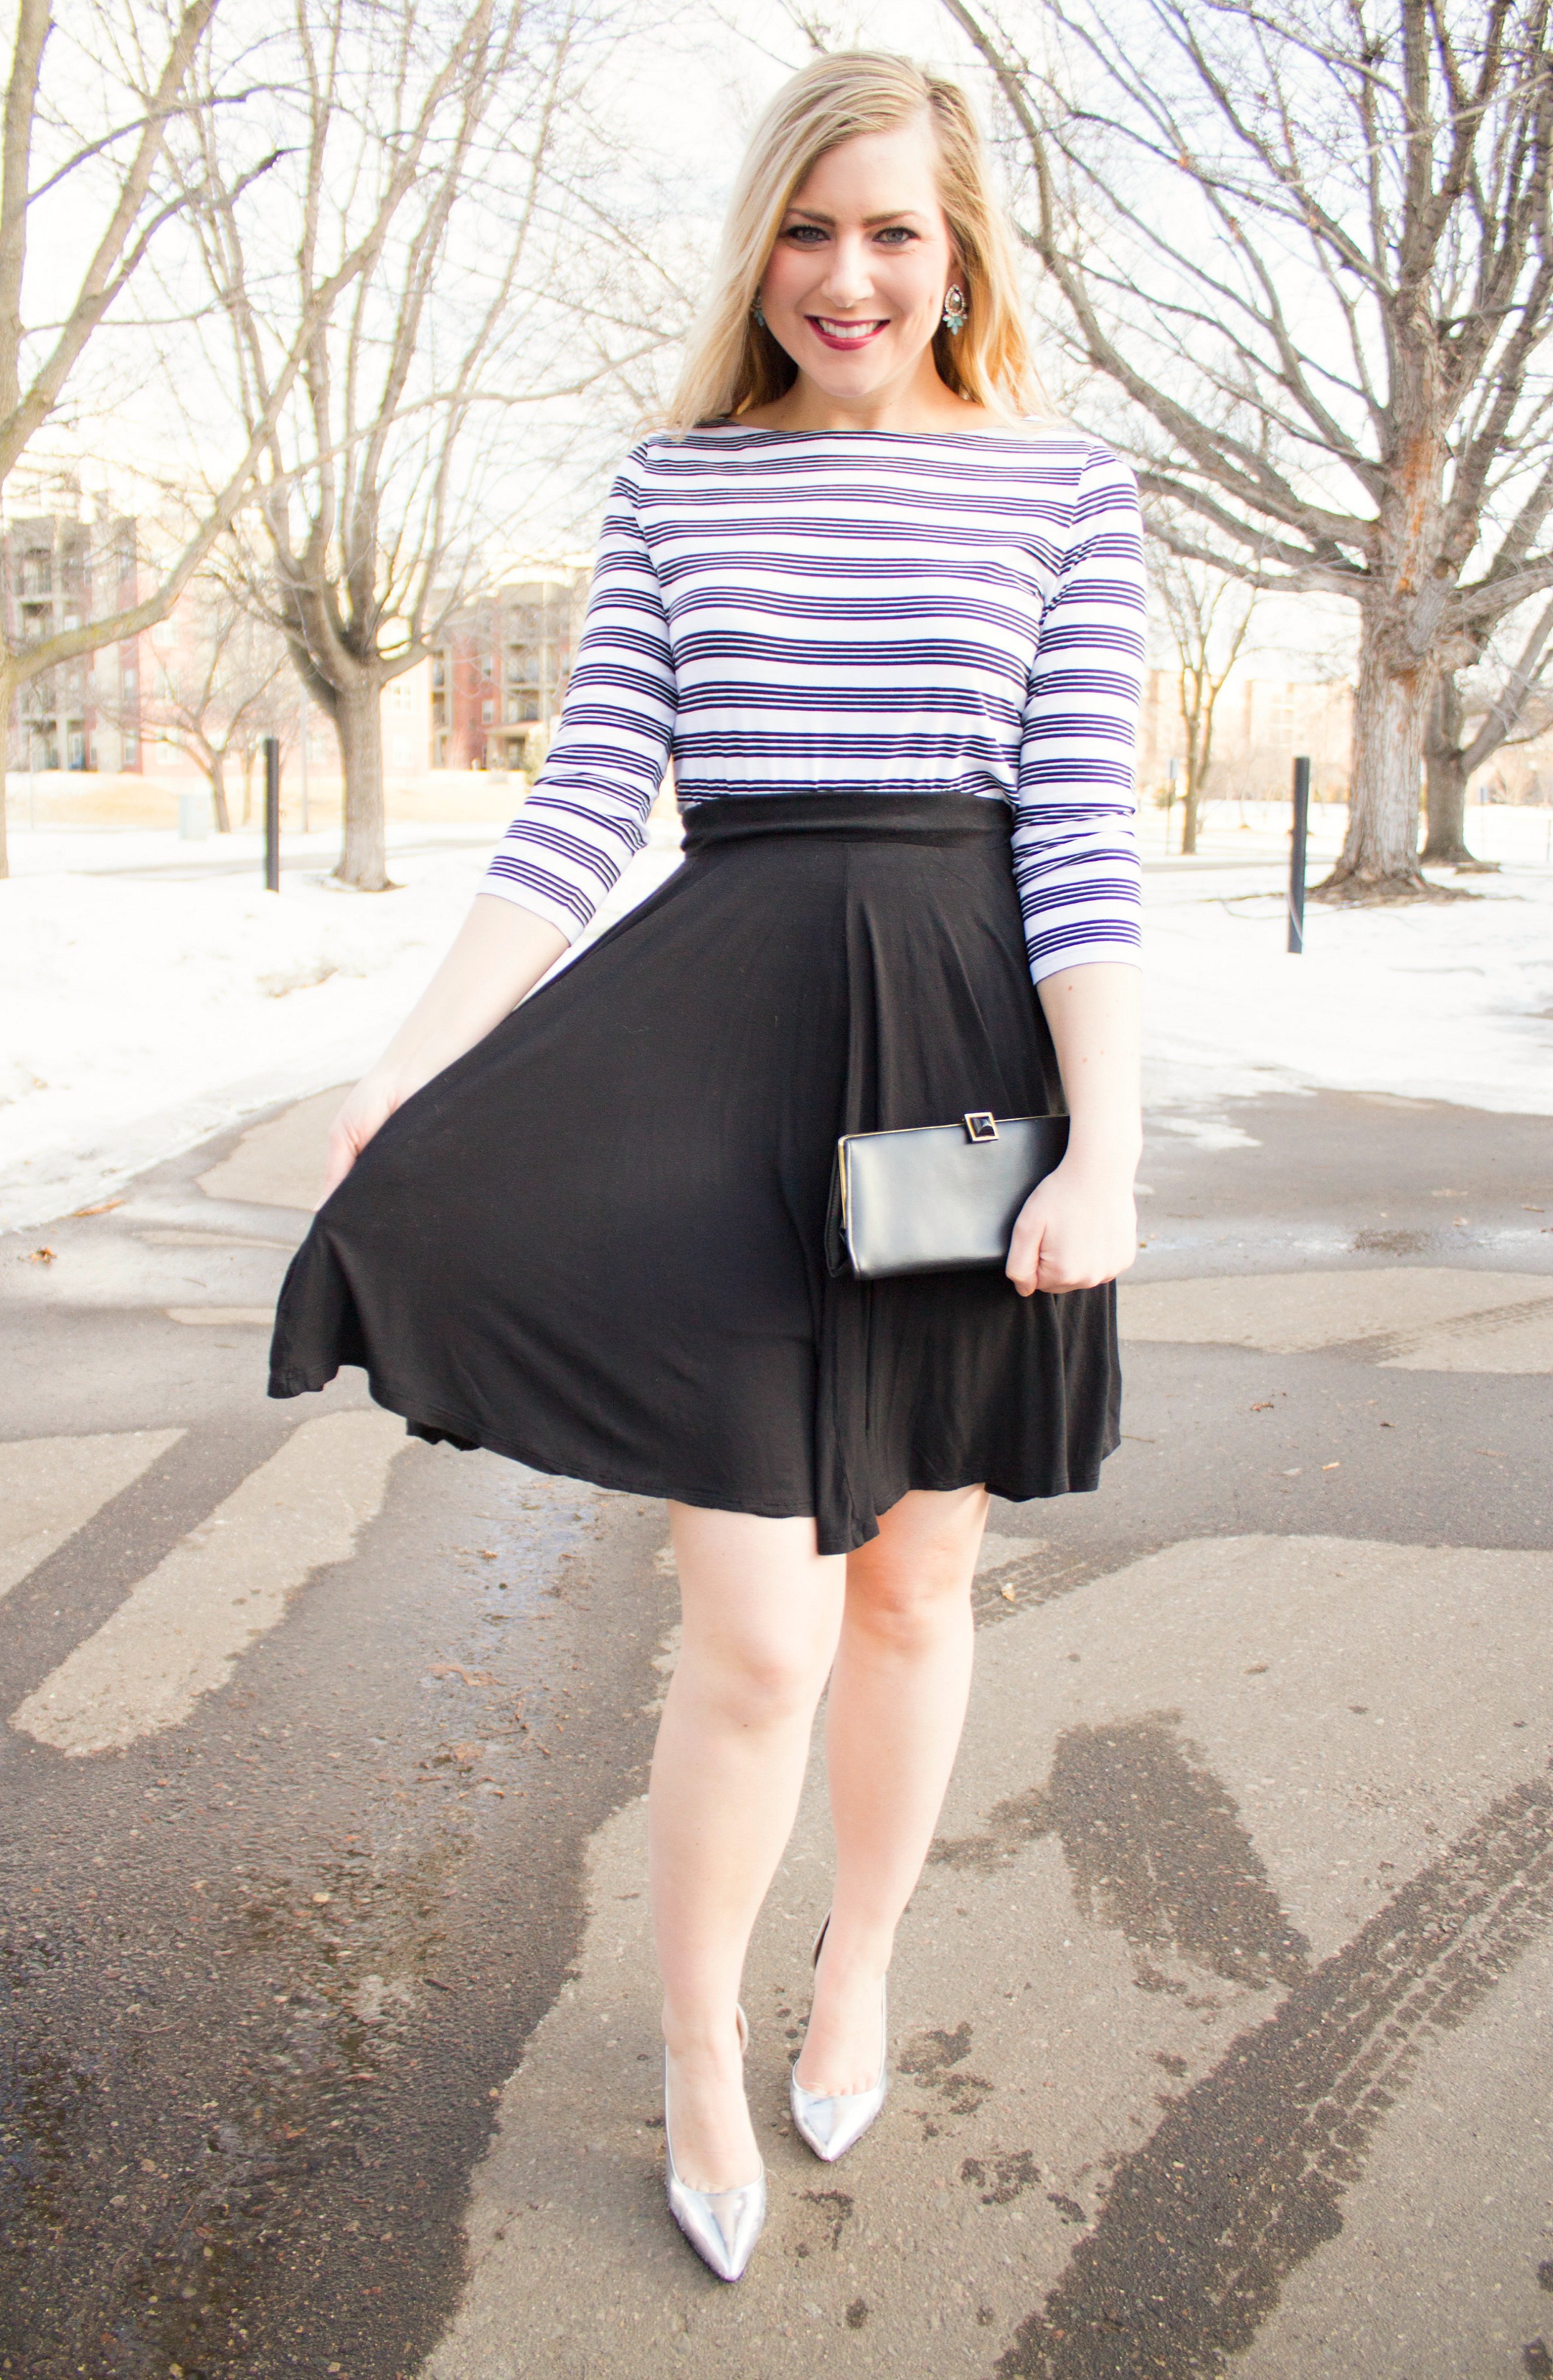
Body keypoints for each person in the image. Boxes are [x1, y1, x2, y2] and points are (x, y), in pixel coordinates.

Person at [268, 49, 1143, 2283]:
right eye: (808, 229)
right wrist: (411, 1063)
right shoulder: (676, 488)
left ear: (957, 259)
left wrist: (1102, 1148)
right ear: (760, 243)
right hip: (718, 1062)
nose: (846, 277)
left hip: (960, 1068)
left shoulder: (1063, 494)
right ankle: (686, 2051)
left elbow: (1080, 845)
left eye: (893, 234)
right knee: (754, 1630)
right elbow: (580, 803)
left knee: (912, 1586)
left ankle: (852, 1964)